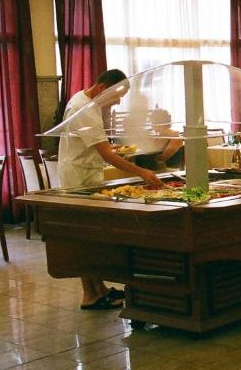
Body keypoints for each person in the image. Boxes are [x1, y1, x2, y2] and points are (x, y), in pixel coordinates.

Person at [58, 69, 164, 311]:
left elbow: (99, 146)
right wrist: (141, 172)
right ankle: (90, 295)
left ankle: (99, 289)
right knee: (86, 237)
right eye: (117, 96)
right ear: (103, 88)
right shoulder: (83, 108)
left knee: (91, 237)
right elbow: (105, 154)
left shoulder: (85, 101)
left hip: (84, 173)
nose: (117, 102)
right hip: (79, 178)